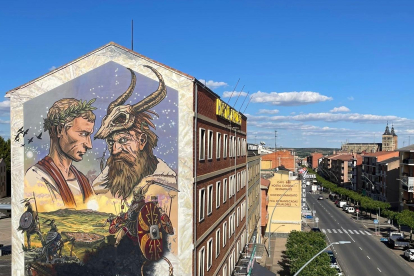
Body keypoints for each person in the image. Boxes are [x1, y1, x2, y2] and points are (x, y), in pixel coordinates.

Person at [93, 66, 181, 275]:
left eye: (123, 141)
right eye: (112, 142)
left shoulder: (165, 177)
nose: (115, 150)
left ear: (141, 141)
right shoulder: (106, 178)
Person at [25, 98, 96, 210]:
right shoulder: (37, 178)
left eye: (89, 135)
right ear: (59, 130)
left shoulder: (83, 181)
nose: (89, 144)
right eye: (82, 134)